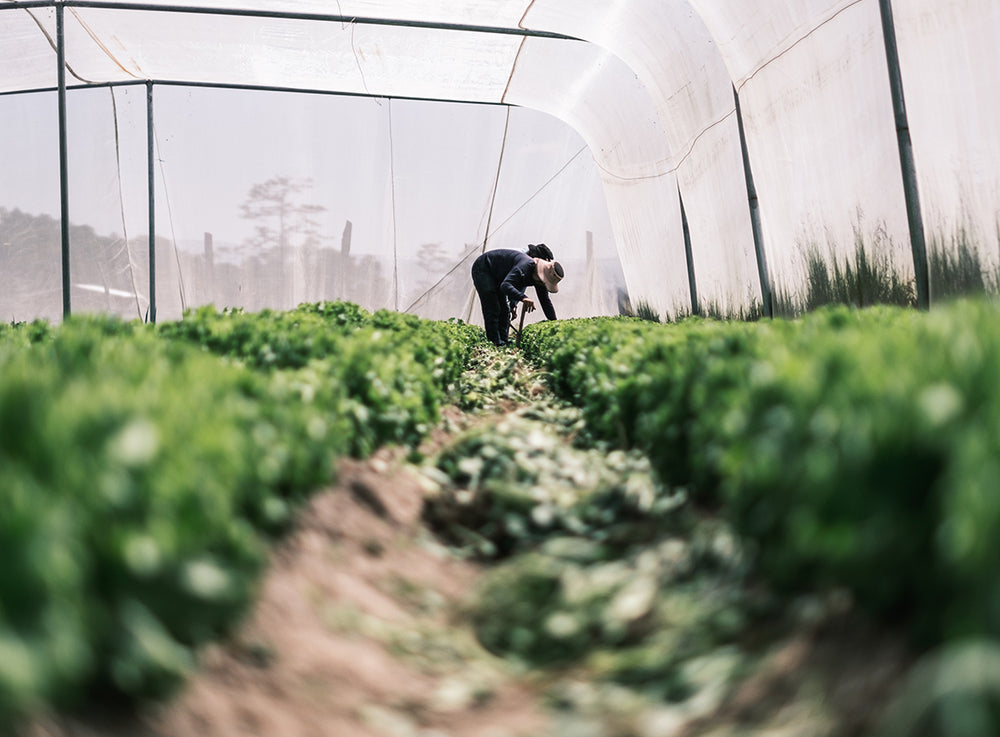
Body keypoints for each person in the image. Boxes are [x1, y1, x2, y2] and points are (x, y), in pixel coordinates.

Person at [471, 248, 565, 346]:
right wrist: (523, 297)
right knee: (493, 307)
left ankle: (504, 341)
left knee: (504, 310)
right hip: (484, 268)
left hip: (499, 276)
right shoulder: (526, 265)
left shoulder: (540, 281)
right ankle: (495, 342)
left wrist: (554, 324)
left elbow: (545, 301)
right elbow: (506, 285)